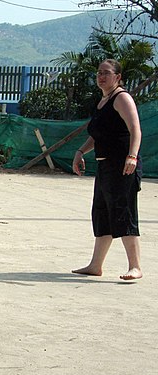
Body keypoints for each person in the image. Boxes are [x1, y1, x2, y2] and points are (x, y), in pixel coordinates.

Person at [72, 59, 142, 281]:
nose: (101, 77)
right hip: (105, 165)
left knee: (123, 212)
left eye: (106, 73)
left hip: (122, 166)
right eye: (99, 73)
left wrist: (132, 156)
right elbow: (98, 133)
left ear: (117, 77)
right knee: (102, 213)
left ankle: (135, 266)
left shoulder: (122, 98)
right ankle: (95, 265)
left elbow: (135, 129)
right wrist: (80, 151)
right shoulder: (103, 101)